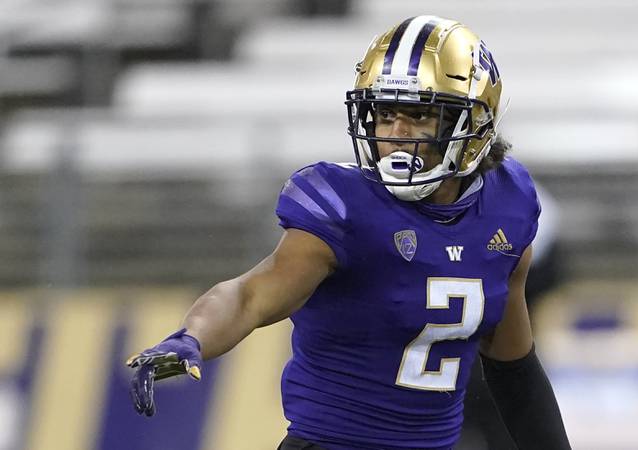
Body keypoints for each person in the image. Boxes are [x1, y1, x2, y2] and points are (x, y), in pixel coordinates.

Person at [127, 15, 571, 450]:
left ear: (473, 126)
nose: (396, 134)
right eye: (384, 114)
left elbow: (513, 367)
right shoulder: (344, 206)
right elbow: (250, 295)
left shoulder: (507, 203)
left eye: (418, 116)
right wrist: (193, 336)